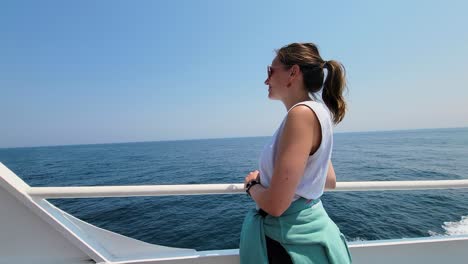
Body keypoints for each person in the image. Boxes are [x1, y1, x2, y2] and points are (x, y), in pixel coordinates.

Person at [239, 43, 352, 264]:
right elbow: (328, 180)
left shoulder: (300, 115)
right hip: (314, 236)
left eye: (270, 71)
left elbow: (276, 205)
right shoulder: (319, 113)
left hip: (290, 245)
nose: (266, 80)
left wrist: (252, 185)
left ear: (293, 72)